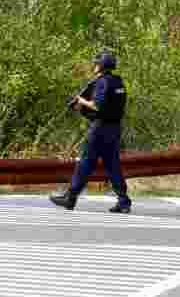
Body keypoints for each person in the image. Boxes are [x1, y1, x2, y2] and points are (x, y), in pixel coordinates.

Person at [50, 51, 131, 213]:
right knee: (112, 164)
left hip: (100, 128)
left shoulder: (102, 82)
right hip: (114, 129)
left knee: (86, 162)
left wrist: (81, 101)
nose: (94, 66)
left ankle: (70, 198)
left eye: (96, 63)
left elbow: (97, 106)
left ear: (101, 66)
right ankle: (123, 201)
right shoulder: (118, 82)